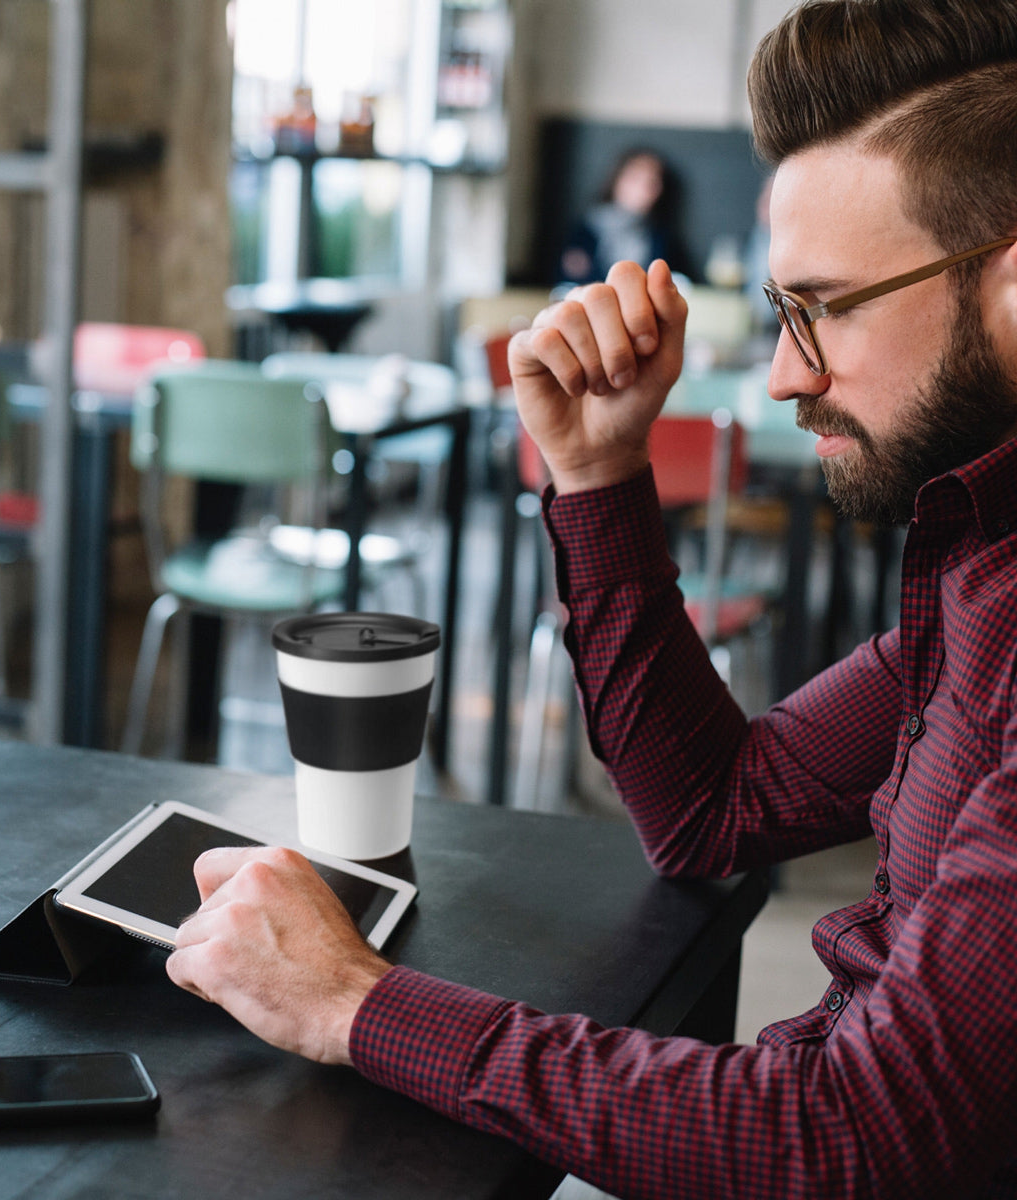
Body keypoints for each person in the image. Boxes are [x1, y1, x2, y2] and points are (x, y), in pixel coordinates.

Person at [165, 1, 1017, 1195]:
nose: (784, 374)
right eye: (784, 315)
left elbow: (856, 1140)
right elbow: (712, 807)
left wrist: (356, 1004)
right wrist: (599, 468)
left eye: (823, 308)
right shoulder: (980, 571)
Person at [558, 148, 689, 285]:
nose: (643, 189)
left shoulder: (661, 238)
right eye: (635, 179)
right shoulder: (585, 231)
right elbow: (567, 280)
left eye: (652, 182)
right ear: (617, 180)